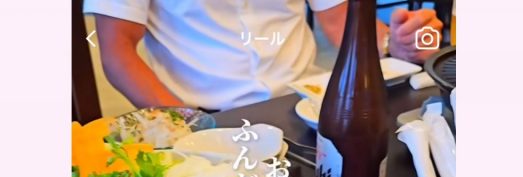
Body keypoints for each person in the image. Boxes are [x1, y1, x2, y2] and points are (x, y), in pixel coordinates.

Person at [86, 1, 444, 111]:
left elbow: (340, 21)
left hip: (304, 106)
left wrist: (394, 45)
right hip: (199, 114)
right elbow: (118, 52)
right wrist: (186, 125)